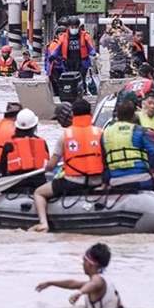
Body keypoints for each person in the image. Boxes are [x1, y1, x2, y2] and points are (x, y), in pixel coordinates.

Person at [31, 99, 105, 232]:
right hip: (97, 181)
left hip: (73, 181)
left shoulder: (65, 135)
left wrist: (45, 167)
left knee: (38, 193)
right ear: (90, 113)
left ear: (73, 114)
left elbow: (51, 165)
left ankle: (43, 223)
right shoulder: (100, 132)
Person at [36, 243, 123, 308]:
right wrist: (50, 283)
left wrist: (80, 292)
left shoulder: (97, 280)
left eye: (84, 260)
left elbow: (93, 283)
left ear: (91, 264)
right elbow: (73, 283)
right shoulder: (104, 281)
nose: (82, 263)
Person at [101, 100, 154, 191]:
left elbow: (104, 159)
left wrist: (106, 180)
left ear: (117, 115)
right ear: (134, 115)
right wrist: (150, 170)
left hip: (116, 180)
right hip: (141, 178)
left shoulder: (106, 133)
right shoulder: (139, 130)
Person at [0, 109, 49, 188]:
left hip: (15, 185)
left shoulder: (9, 145)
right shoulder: (42, 143)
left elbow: (3, 169)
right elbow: (47, 166)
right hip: (38, 185)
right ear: (34, 126)